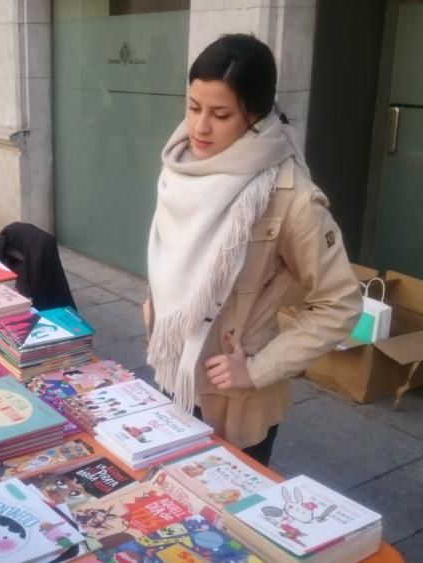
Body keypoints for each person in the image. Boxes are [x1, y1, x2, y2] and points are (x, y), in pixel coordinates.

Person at [144, 34, 361, 466]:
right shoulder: (182, 165)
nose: (199, 127)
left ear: (256, 116)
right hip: (172, 367)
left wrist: (258, 369)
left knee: (222, 522)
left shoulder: (291, 197)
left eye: (220, 114)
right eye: (193, 107)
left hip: (232, 396)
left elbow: (340, 304)